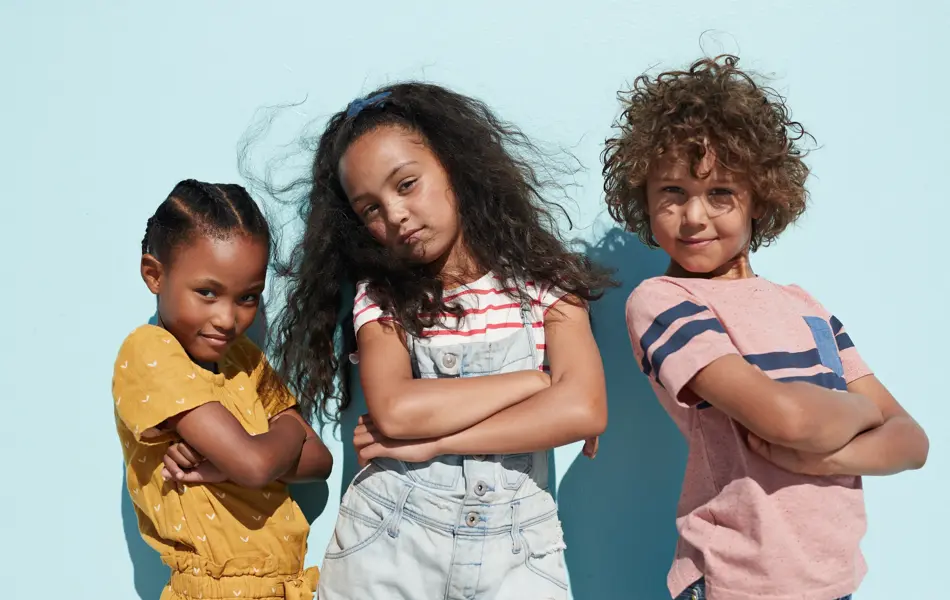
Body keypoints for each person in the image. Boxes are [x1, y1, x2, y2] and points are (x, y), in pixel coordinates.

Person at [605, 55, 930, 600]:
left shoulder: (805, 307)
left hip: (834, 580)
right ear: (644, 198)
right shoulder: (664, 301)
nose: (694, 217)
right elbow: (784, 419)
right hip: (737, 580)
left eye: (720, 194)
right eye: (673, 193)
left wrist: (835, 456)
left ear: (761, 197)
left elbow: (912, 441)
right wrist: (860, 411)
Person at [273, 83, 612, 599]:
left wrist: (434, 442)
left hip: (519, 553)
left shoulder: (547, 284)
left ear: (455, 166)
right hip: (390, 544)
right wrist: (534, 382)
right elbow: (396, 411)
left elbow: (584, 409)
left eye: (406, 184)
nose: (395, 215)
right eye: (370, 209)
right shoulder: (383, 298)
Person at [112, 179, 332, 600]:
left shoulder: (244, 360)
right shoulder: (149, 351)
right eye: (207, 293)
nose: (227, 319)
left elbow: (319, 460)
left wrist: (233, 460)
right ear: (154, 275)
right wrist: (286, 433)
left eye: (248, 298)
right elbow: (253, 465)